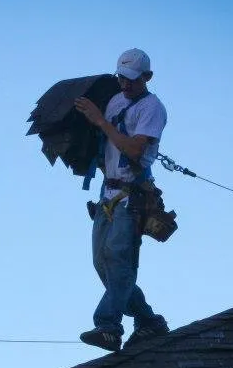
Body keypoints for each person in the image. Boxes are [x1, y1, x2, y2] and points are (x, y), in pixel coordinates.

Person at [73, 48, 171, 352]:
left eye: (131, 79)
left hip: (132, 195)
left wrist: (100, 121)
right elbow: (109, 145)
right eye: (121, 78)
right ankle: (148, 321)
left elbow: (135, 151)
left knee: (119, 260)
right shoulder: (117, 100)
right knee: (103, 263)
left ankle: (108, 326)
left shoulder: (152, 108)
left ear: (147, 77)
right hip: (108, 192)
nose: (125, 84)